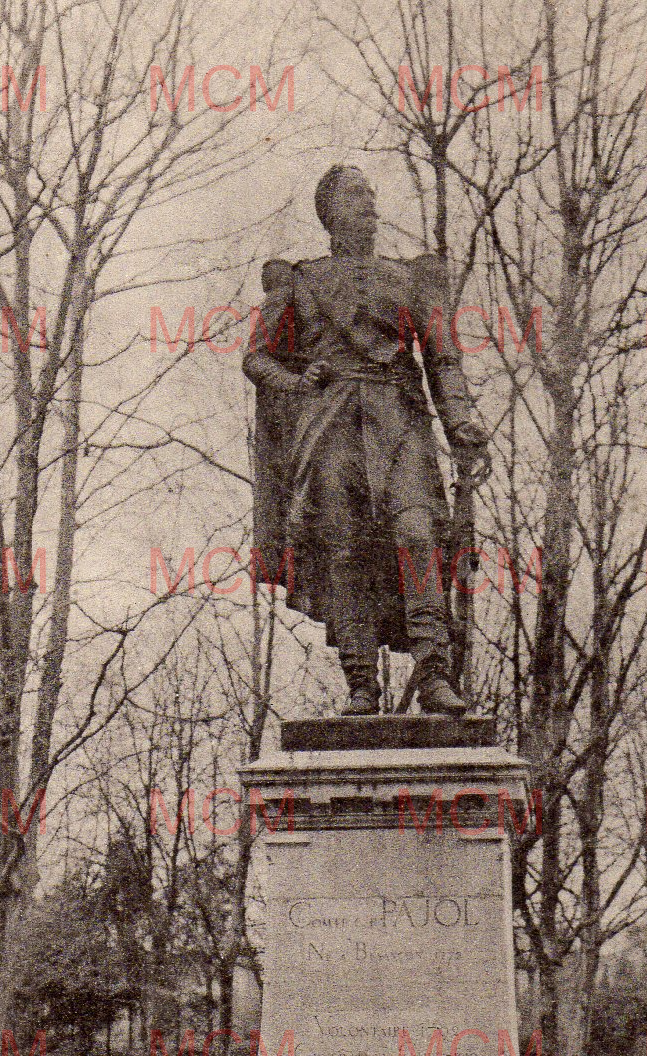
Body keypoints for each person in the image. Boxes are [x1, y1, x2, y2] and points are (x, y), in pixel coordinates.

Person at [243, 164, 488, 716]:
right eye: (356, 194)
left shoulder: (410, 278)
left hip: (400, 421)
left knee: (418, 535)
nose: (370, 202)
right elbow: (256, 358)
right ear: (329, 211)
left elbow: (443, 358)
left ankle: (434, 673)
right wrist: (297, 381)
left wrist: (461, 424)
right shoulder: (299, 281)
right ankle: (360, 683)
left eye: (372, 193)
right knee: (343, 547)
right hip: (328, 428)